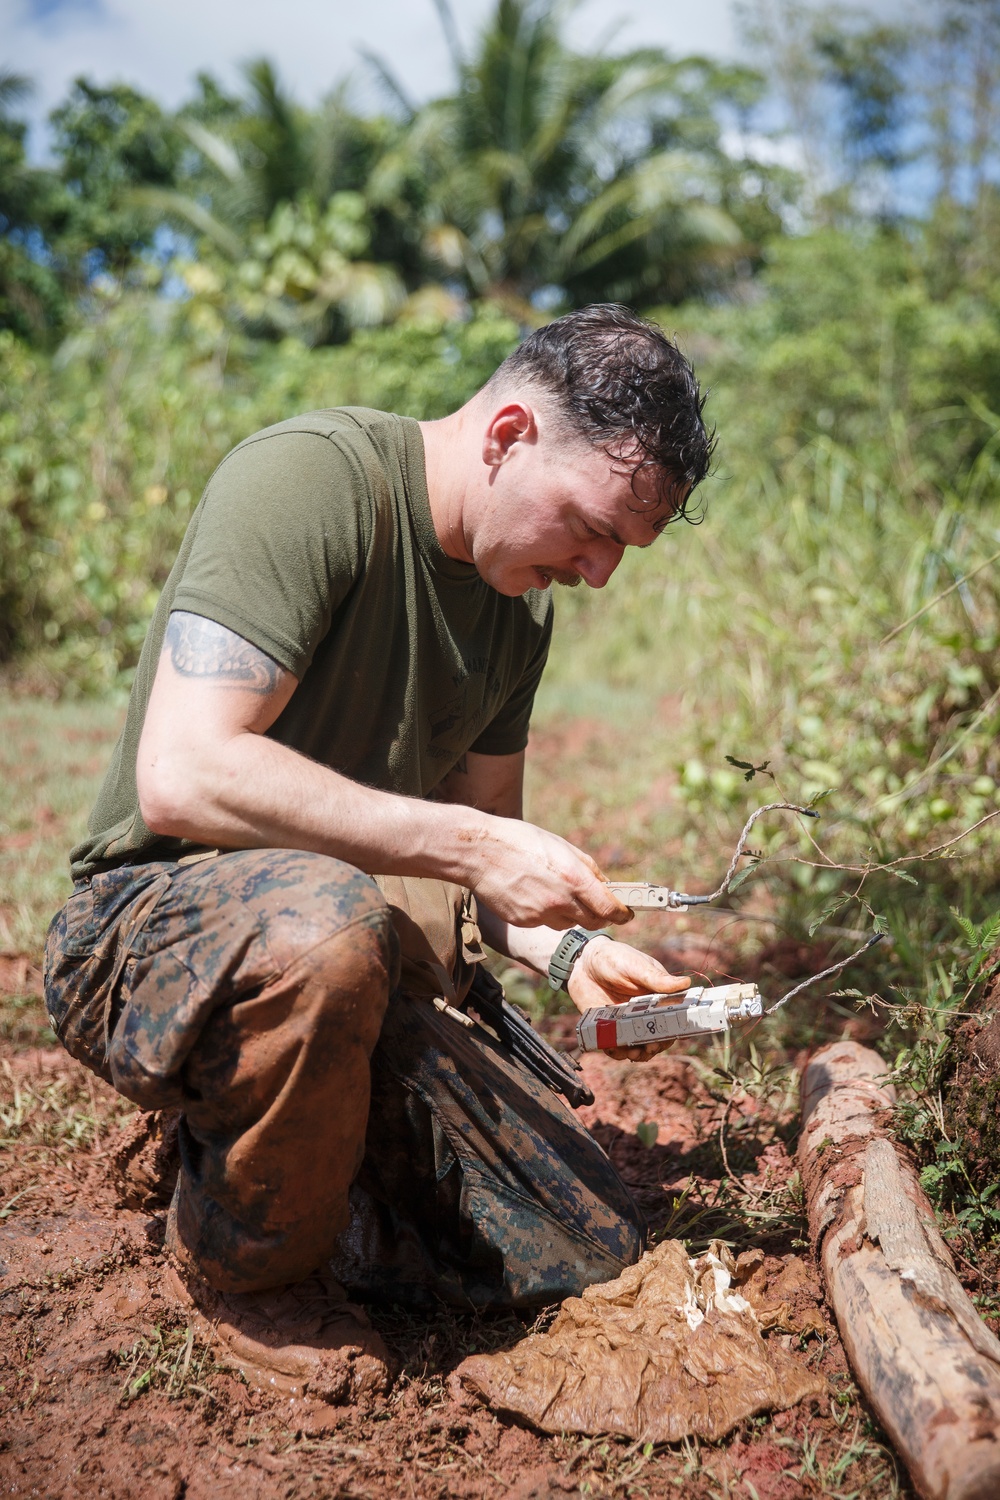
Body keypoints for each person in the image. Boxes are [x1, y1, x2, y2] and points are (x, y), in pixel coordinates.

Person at [44, 303, 713, 1400]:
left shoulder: (517, 613)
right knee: (328, 925)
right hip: (145, 927)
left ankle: (238, 1128)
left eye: (619, 553)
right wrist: (473, 843)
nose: (596, 574)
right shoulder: (312, 480)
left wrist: (565, 957)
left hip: (337, 948)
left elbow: (485, 871)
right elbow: (186, 771)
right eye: (589, 529)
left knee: (575, 1243)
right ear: (505, 436)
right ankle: (246, 1273)